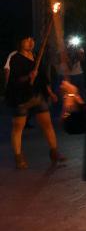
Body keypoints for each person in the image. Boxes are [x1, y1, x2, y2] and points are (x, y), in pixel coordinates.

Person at [6, 35, 64, 170]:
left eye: (32, 39)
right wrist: (28, 77)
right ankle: (18, 157)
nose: (30, 42)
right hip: (21, 98)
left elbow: (43, 77)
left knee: (47, 124)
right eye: (26, 39)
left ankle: (54, 152)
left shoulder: (37, 56)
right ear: (20, 42)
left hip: (37, 95)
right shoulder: (15, 58)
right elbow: (14, 80)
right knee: (18, 128)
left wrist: (50, 93)